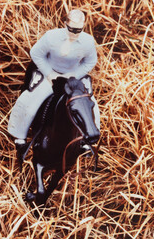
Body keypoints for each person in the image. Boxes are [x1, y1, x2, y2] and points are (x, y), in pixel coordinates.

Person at [8, 9, 100, 161]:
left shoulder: (87, 41)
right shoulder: (51, 37)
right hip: (50, 75)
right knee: (29, 103)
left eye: (78, 30)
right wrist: (49, 73)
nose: (74, 34)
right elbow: (36, 53)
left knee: (91, 105)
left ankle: (87, 140)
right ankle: (20, 137)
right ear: (65, 24)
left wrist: (74, 75)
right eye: (71, 29)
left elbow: (90, 61)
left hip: (73, 78)